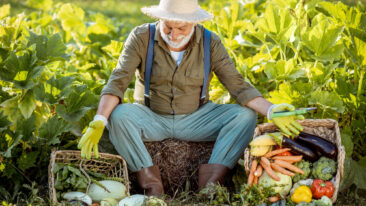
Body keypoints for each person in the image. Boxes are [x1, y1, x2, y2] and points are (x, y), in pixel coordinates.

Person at [77, 0, 304, 197]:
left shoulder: (210, 42)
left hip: (197, 118)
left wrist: (272, 110)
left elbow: (237, 86)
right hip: (150, 117)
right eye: (168, 26)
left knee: (244, 115)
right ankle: (153, 188)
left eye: (181, 28)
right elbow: (117, 81)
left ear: (194, 23)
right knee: (119, 115)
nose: (173, 34)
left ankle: (210, 188)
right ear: (160, 19)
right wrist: (99, 120)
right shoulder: (141, 37)